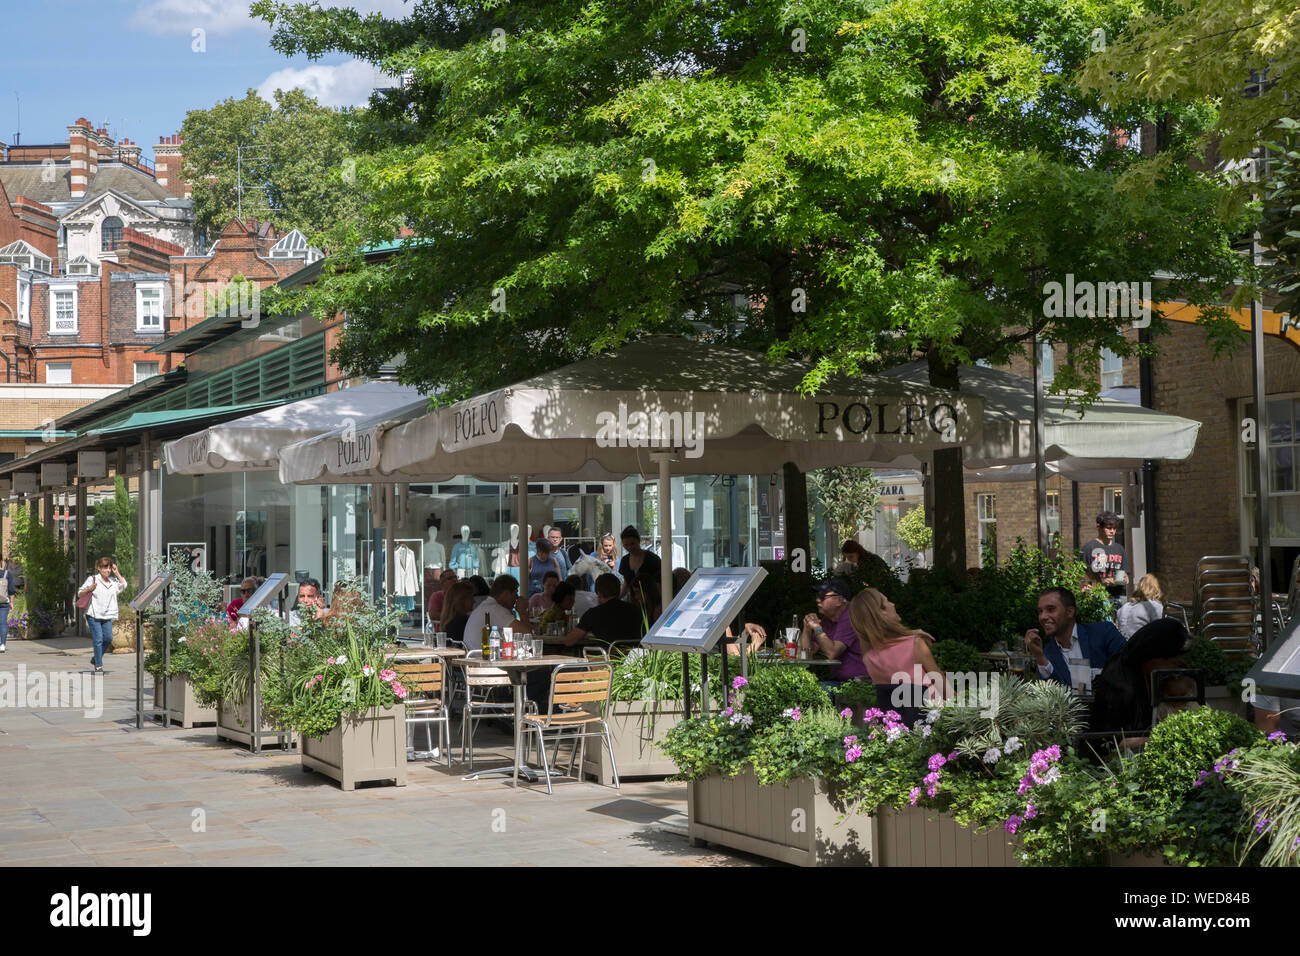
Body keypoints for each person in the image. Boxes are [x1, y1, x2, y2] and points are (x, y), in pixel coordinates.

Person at [848, 587, 947, 725]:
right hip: (934, 722)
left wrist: (909, 634)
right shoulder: (915, 645)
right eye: (887, 602)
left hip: (897, 729)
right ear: (880, 613)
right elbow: (944, 688)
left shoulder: (869, 659)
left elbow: (873, 640)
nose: (892, 604)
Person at [1024, 586, 1126, 689]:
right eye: (1040, 611)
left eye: (1051, 609)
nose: (1043, 617)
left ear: (1070, 612)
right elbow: (1053, 695)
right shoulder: (1046, 655)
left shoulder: (1103, 632)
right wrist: (1039, 657)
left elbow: (1129, 665)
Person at [799, 579, 870, 688]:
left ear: (839, 600)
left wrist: (817, 628)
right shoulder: (828, 620)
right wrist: (807, 629)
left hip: (863, 684)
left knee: (815, 691)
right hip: (843, 682)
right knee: (807, 689)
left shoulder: (851, 617)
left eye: (823, 596)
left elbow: (832, 652)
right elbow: (807, 653)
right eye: (817, 596)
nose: (818, 600)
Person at [561, 573, 645, 648]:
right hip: (634, 661)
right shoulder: (635, 610)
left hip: (606, 662)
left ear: (599, 593)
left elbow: (569, 641)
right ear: (619, 591)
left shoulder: (593, 614)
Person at [78, 557, 127, 672]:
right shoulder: (93, 579)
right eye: (105, 567)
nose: (108, 570)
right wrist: (89, 589)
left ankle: (96, 658)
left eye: (109, 567)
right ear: (99, 568)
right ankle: (98, 666)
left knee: (108, 638)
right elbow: (80, 593)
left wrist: (117, 572)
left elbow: (124, 585)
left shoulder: (113, 581)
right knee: (98, 639)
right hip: (94, 614)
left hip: (107, 615)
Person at [464, 574, 520, 650]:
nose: (517, 597)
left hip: (474, 657)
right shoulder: (495, 609)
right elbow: (526, 633)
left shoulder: (487, 605)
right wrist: (523, 611)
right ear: (506, 594)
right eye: (515, 593)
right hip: (483, 658)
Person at [1082, 511, 1128, 599]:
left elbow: (1125, 575)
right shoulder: (1089, 548)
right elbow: (1081, 576)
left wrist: (1120, 579)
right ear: (1099, 527)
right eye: (1109, 528)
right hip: (1096, 597)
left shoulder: (1119, 549)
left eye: (1114, 528)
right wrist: (1101, 582)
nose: (1112, 531)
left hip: (1118, 596)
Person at [617, 526, 661, 598]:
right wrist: (617, 599)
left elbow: (659, 584)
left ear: (639, 540)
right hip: (633, 602)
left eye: (632, 544)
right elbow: (626, 584)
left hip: (651, 601)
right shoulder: (624, 561)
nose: (629, 547)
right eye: (626, 545)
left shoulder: (652, 559)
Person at [1116, 574, 1163, 638]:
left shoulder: (1124, 607)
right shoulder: (1154, 606)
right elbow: (1159, 632)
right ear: (1156, 588)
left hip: (1123, 646)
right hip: (1140, 646)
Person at [440, 580, 476, 645]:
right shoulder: (461, 621)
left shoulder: (449, 619)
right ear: (461, 600)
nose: (474, 601)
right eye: (471, 597)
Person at [0, 556, 14, 652]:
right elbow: (11, 590)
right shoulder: (7, 574)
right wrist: (12, 602)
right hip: (4, 602)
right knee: (3, 623)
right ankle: (3, 645)